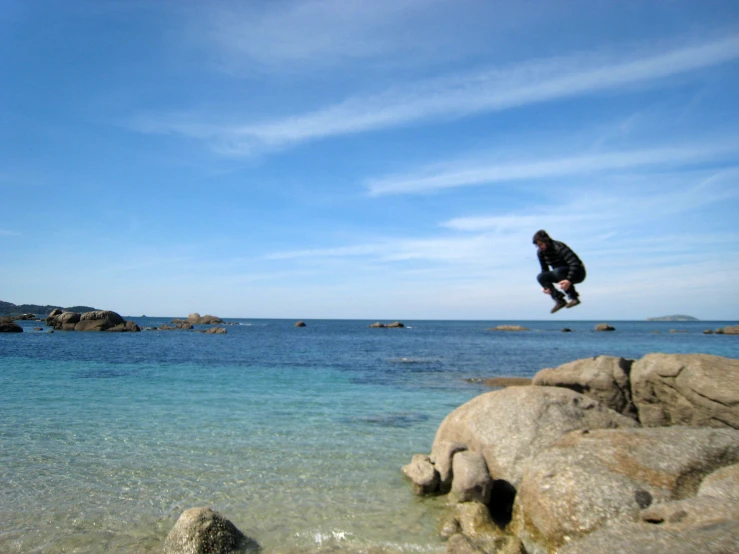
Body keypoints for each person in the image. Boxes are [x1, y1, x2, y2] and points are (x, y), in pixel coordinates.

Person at [533, 230, 586, 314]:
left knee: (558, 270)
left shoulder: (559, 247)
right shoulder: (540, 253)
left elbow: (575, 264)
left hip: (578, 272)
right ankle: (559, 300)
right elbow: (545, 271)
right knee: (541, 277)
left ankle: (574, 298)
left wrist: (568, 280)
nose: (539, 247)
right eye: (537, 246)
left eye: (540, 244)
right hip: (560, 274)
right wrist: (546, 287)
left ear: (546, 240)